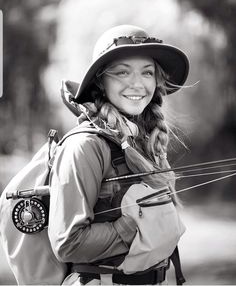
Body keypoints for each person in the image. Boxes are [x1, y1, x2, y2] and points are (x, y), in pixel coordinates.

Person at [48, 24, 189, 285]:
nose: (137, 84)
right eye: (122, 72)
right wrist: (134, 225)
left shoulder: (143, 139)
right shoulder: (85, 147)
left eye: (147, 73)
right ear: (100, 81)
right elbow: (68, 243)